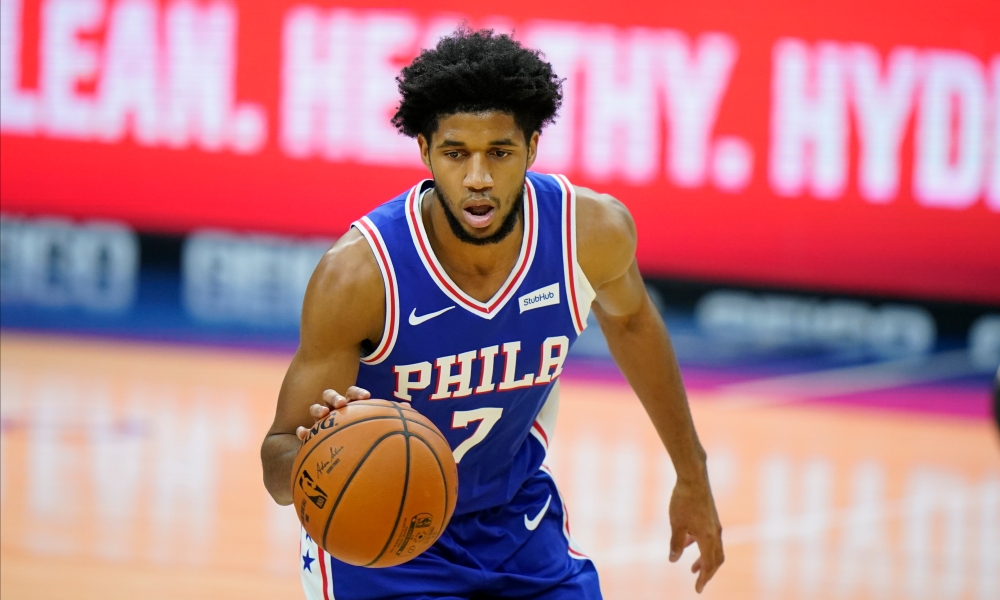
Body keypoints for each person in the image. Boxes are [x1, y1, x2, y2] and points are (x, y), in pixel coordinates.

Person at [261, 28, 723, 600]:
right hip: (383, 538)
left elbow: (632, 323)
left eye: (499, 153)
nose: (478, 178)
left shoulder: (588, 234)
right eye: (456, 154)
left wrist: (692, 473)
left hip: (516, 521)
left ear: (531, 147)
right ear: (425, 151)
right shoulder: (361, 276)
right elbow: (277, 463)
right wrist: (320, 454)